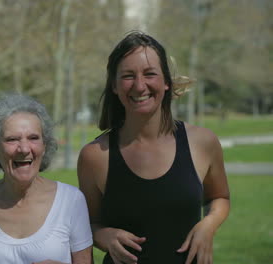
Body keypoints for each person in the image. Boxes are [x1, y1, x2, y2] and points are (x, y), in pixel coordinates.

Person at [77, 31, 230, 264]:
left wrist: (208, 225)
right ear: (114, 86)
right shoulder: (94, 156)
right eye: (128, 76)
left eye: (150, 74)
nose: (139, 86)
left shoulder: (203, 142)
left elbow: (220, 197)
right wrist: (104, 236)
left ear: (166, 82)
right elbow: (88, 226)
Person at [0, 94, 93, 264]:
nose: (24, 148)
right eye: (12, 139)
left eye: (33, 138)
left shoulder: (71, 200)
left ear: (44, 146)